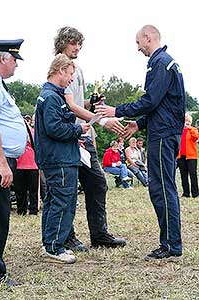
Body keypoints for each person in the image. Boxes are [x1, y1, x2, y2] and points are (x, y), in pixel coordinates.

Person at [95, 25, 185, 260]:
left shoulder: (160, 62)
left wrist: (117, 110)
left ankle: (171, 245)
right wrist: (139, 124)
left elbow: (151, 99)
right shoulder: (165, 62)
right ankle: (170, 242)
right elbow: (162, 103)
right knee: (162, 188)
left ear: (148, 37)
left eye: (138, 43)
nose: (138, 48)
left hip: (164, 135)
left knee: (162, 189)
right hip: (163, 131)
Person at [54, 26, 127, 250]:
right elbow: (69, 105)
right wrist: (102, 120)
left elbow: (79, 103)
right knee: (68, 189)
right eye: (73, 43)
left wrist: (93, 105)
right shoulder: (59, 68)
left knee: (97, 183)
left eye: (79, 44)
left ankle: (99, 233)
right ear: (63, 43)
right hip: (70, 136)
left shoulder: (78, 69)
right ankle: (67, 236)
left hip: (85, 134)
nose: (77, 47)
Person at [34, 54, 90, 264]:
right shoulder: (51, 97)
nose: (71, 79)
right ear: (60, 71)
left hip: (58, 156)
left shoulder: (50, 95)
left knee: (53, 201)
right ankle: (55, 247)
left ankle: (49, 242)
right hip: (60, 159)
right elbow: (54, 128)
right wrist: (78, 129)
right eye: (70, 74)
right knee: (63, 202)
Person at [0, 39, 27, 285]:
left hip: (6, 158)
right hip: (1, 160)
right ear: (2, 58)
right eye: (14, 60)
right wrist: (1, 163)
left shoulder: (2, 86)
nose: (16, 66)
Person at [14, 114, 39, 215]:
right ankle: (21, 210)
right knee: (20, 190)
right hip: (19, 164)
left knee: (33, 190)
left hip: (32, 164)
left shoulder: (33, 132)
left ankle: (33, 210)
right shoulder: (16, 133)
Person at [177, 113, 199, 198]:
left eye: (188, 121)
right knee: (183, 175)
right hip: (180, 156)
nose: (187, 123)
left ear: (190, 122)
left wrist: (190, 129)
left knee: (193, 174)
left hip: (191, 156)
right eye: (185, 121)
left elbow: (196, 137)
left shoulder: (194, 130)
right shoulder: (179, 131)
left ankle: (195, 193)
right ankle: (186, 193)